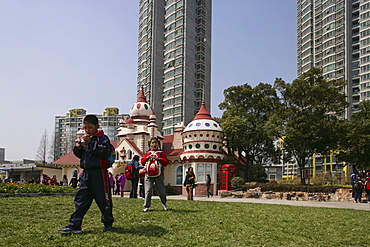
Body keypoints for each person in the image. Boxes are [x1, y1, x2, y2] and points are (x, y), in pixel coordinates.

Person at [58, 114, 114, 234]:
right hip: (86, 173)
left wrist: (90, 143)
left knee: (103, 200)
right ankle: (75, 224)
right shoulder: (85, 139)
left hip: (99, 173)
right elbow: (81, 156)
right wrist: (78, 147)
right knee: (81, 199)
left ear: (97, 126)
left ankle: (108, 223)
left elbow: (104, 152)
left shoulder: (103, 138)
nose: (88, 130)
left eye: (90, 127)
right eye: (86, 128)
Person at [141, 137, 169, 212]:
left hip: (158, 174)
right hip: (148, 174)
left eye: (155, 142)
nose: (154, 144)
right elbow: (142, 162)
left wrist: (159, 159)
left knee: (161, 190)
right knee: (148, 190)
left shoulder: (161, 153)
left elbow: (166, 162)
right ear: (150, 144)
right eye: (152, 143)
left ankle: (164, 203)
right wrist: (147, 158)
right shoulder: (147, 153)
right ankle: (147, 205)